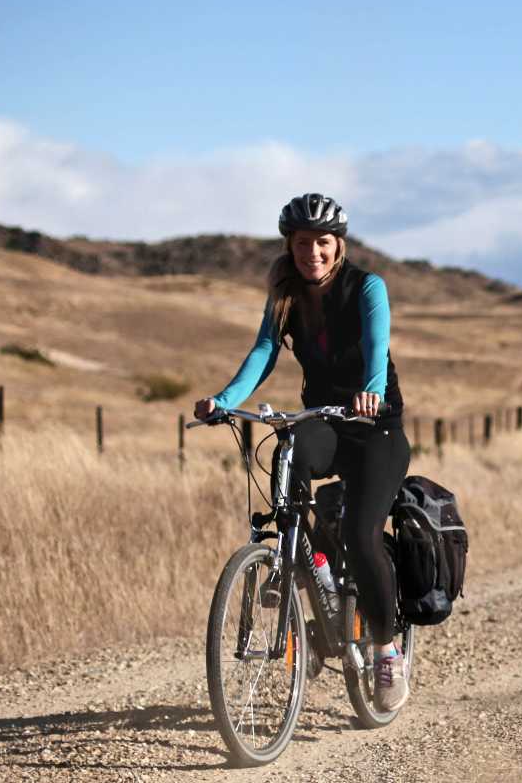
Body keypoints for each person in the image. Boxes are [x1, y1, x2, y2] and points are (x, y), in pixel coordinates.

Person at [195, 192, 413, 711]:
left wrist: (372, 390)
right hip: (322, 422)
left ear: (337, 245)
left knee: (362, 536)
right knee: (285, 462)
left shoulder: (366, 287)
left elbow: (376, 346)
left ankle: (385, 650)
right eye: (300, 243)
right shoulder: (285, 293)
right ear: (289, 246)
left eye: (321, 242)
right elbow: (265, 351)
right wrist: (223, 400)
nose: (310, 252)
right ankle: (307, 566)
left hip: (374, 428)